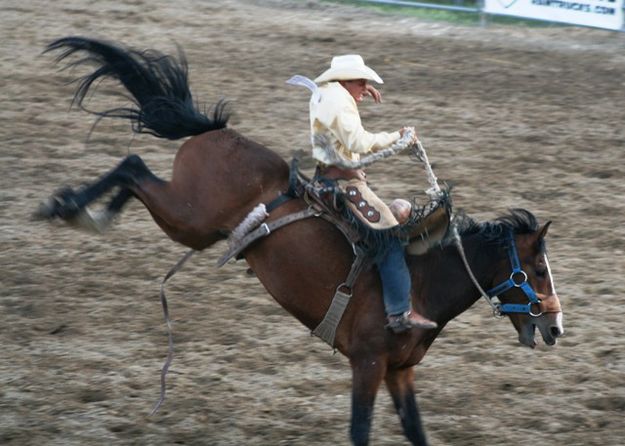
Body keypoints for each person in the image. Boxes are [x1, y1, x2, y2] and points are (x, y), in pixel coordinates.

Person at [308, 54, 437, 333]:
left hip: (328, 175)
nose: (365, 87)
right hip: (343, 184)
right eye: (360, 81)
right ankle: (400, 313)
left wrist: (357, 89)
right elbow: (358, 141)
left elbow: (341, 117)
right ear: (344, 81)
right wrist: (397, 137)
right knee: (389, 237)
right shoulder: (340, 101)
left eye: (366, 82)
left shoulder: (329, 93)